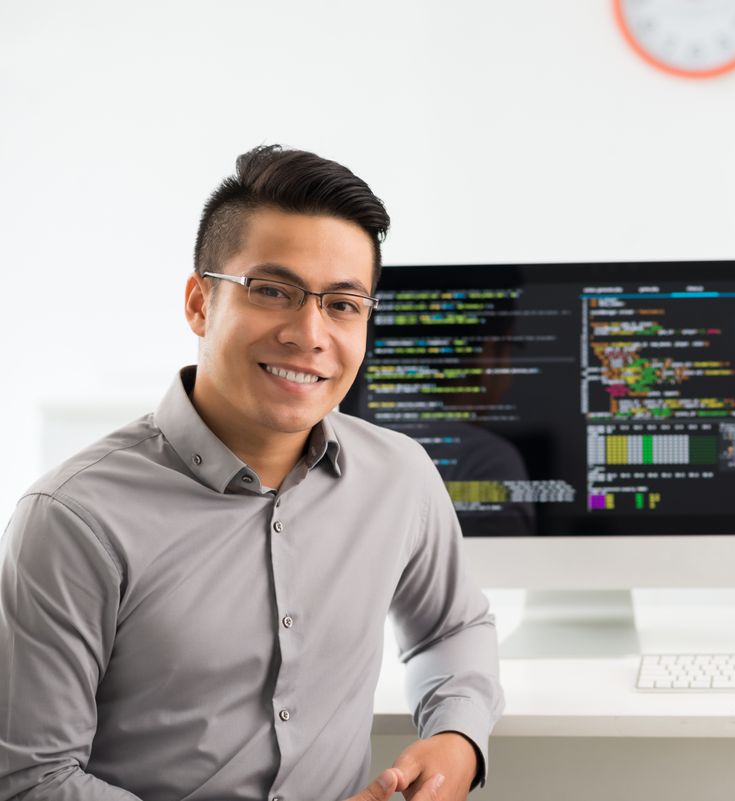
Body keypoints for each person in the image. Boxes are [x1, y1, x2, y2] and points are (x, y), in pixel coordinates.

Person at [0, 146, 503, 800]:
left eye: (343, 304)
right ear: (199, 303)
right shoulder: (72, 518)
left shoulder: (399, 476)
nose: (310, 333)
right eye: (272, 291)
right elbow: (31, 780)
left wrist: (456, 737)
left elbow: (453, 628)